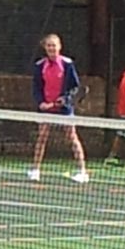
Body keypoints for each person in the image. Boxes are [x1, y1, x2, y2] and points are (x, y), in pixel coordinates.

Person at [28, 33, 88, 183]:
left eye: (54, 45)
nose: (51, 48)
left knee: (72, 137)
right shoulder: (39, 66)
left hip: (64, 109)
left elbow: (75, 87)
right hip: (45, 109)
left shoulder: (67, 64)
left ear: (59, 47)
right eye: (49, 45)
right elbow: (36, 88)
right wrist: (41, 102)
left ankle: (82, 172)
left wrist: (65, 100)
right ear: (45, 48)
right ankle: (35, 170)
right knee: (42, 137)